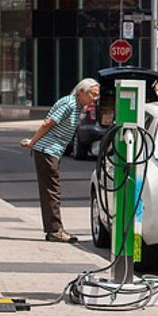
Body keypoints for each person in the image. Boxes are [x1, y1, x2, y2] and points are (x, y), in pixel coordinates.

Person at [23, 78, 100, 243]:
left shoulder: (76, 105)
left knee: (51, 190)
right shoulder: (70, 104)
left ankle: (55, 228)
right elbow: (48, 123)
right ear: (81, 93)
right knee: (52, 191)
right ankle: (55, 230)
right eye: (93, 95)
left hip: (52, 151)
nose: (95, 99)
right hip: (47, 150)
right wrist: (32, 142)